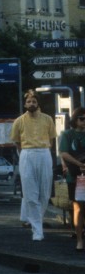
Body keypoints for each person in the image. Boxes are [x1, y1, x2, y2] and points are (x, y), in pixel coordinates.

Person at [11, 90, 57, 242]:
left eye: (34, 101)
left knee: (44, 193)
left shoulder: (48, 119)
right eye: (29, 101)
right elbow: (16, 142)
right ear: (25, 104)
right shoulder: (19, 121)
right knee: (30, 193)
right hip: (27, 154)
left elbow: (52, 139)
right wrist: (24, 153)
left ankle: (36, 220)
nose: (31, 104)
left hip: (44, 153)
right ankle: (37, 230)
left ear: (38, 103)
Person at [58, 108, 85, 252]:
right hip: (76, 175)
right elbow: (64, 152)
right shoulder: (67, 134)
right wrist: (79, 164)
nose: (84, 121)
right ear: (75, 119)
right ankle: (79, 239)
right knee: (78, 207)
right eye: (82, 118)